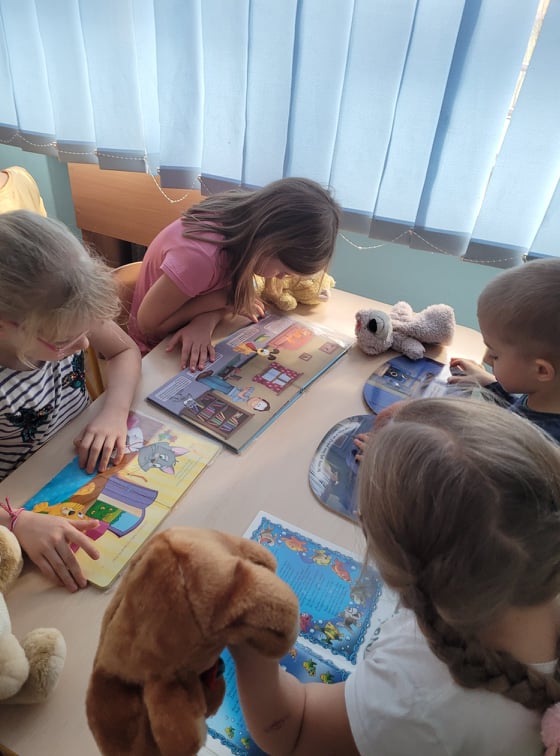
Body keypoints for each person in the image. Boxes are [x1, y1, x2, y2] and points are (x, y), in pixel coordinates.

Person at [230, 397, 560, 755]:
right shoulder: (534, 577)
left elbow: (294, 733)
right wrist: (414, 427)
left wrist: (250, 649)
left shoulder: (415, 701)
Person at [0, 210, 141, 592]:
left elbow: (124, 350)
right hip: (20, 501)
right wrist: (16, 521)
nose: (84, 345)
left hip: (72, 460)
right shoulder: (42, 309)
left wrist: (114, 412)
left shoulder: (63, 307)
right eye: (64, 341)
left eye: (87, 331)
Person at [128, 177, 341, 370]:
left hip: (187, 333)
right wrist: (226, 300)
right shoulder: (202, 257)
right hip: (153, 352)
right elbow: (148, 326)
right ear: (268, 245)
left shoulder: (244, 230)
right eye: (283, 272)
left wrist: (207, 319)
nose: (279, 279)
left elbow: (212, 294)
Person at [448, 257, 560, 442]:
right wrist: (491, 384)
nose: (486, 359)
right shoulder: (545, 398)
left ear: (541, 370)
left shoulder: (534, 444)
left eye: (495, 355)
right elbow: (519, 412)